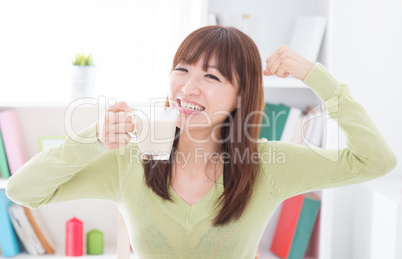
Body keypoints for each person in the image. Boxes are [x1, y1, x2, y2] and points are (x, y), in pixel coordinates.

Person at [6, 25, 397, 259]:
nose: (188, 87)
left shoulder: (268, 163)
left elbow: (375, 161)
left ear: (240, 97)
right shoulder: (130, 157)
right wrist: (93, 139)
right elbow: (24, 191)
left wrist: (318, 78)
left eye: (212, 77)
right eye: (182, 69)